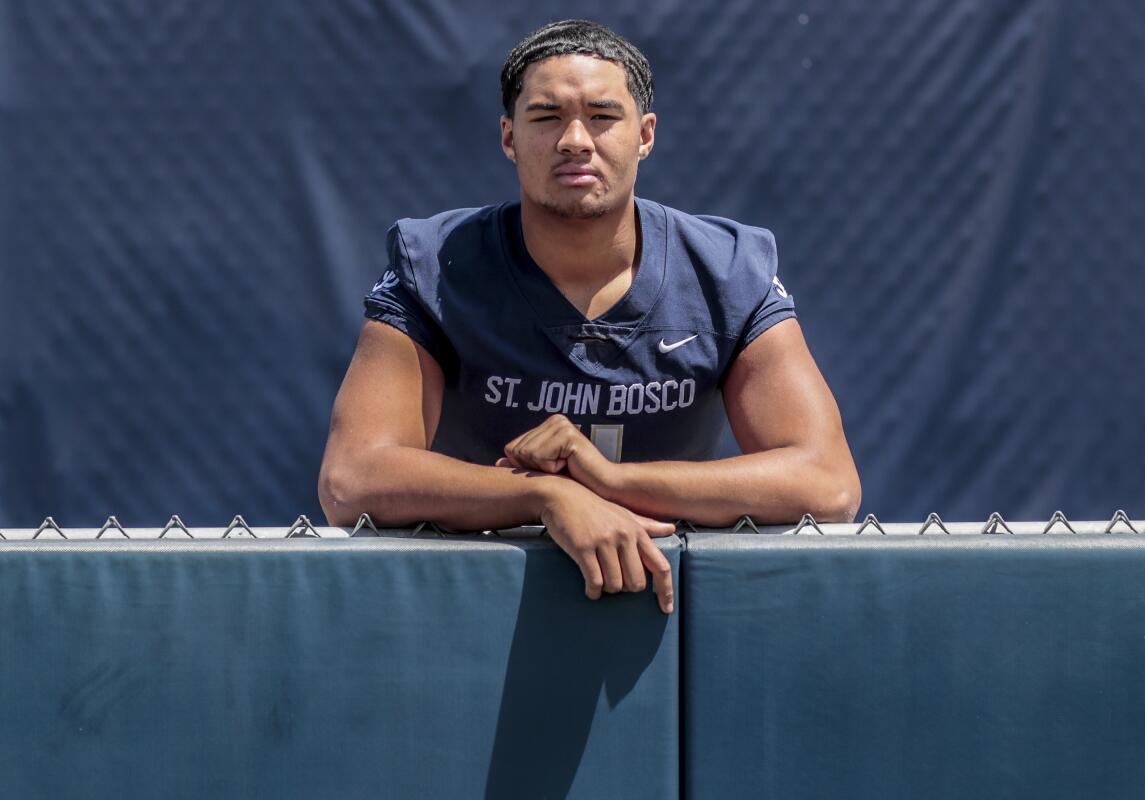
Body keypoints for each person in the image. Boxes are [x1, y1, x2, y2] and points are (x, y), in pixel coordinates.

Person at [318, 19, 860, 615]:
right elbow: (352, 480)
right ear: (508, 137)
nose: (575, 139)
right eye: (547, 117)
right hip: (475, 597)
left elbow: (827, 483)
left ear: (645, 135)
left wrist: (607, 482)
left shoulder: (728, 269)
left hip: (675, 600)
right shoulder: (437, 265)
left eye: (602, 116)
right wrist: (547, 496)